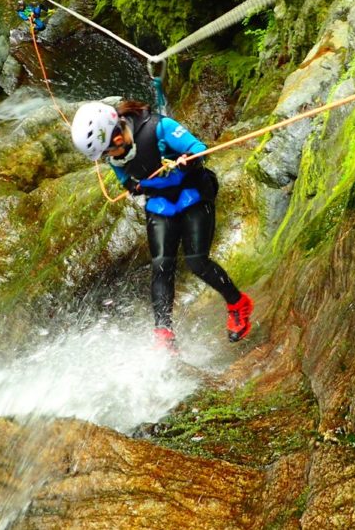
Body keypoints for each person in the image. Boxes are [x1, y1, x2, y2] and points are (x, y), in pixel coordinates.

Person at [70, 99, 253, 350]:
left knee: (196, 261)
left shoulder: (158, 127)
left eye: (106, 154)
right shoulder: (115, 157)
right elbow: (125, 178)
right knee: (162, 265)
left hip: (193, 194)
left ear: (117, 139)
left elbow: (198, 148)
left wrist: (188, 159)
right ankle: (163, 332)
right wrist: (133, 187)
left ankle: (238, 304)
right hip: (161, 203)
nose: (107, 159)